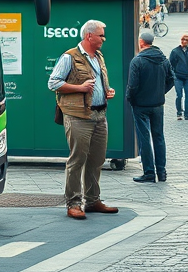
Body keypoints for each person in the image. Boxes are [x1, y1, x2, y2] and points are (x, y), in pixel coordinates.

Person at [49, 19, 118, 220]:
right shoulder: (69, 57)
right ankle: (73, 203)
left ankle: (93, 200)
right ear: (89, 36)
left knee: (97, 160)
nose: (104, 39)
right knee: (77, 160)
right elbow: (53, 83)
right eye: (101, 35)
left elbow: (97, 83)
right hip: (78, 116)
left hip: (99, 114)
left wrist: (107, 91)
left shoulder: (98, 56)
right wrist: (79, 88)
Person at [126, 29, 175, 183]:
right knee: (159, 137)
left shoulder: (137, 61)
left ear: (141, 42)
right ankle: (162, 172)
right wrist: (161, 92)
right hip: (158, 105)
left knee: (144, 137)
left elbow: (132, 85)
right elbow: (171, 79)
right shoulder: (163, 60)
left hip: (140, 105)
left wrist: (130, 98)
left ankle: (149, 173)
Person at [169, 33, 188, 121]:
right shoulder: (175, 51)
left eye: (186, 40)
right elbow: (171, 64)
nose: (184, 41)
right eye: (183, 39)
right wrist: (174, 74)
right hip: (178, 77)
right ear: (181, 40)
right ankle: (179, 112)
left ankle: (187, 114)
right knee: (179, 95)